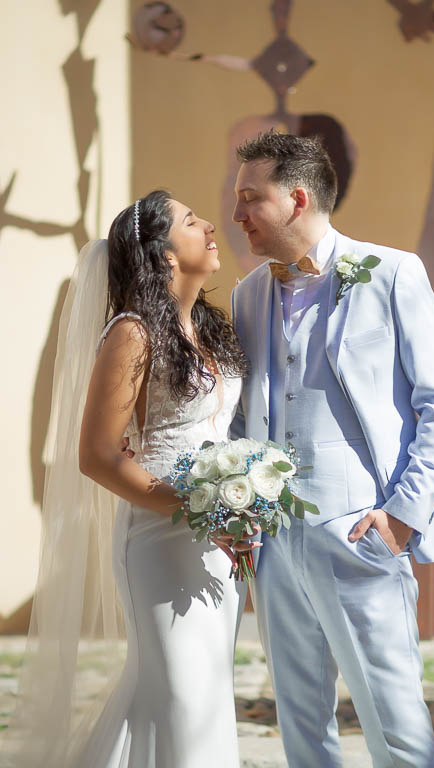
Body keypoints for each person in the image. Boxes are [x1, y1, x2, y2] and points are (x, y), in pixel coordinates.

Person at [230, 130, 434, 768]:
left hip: (365, 528)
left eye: (251, 198)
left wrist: (402, 516)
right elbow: (246, 414)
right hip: (276, 541)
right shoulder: (247, 293)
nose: (237, 214)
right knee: (299, 722)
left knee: (394, 721)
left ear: (297, 199)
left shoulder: (391, 272)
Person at [4, 189, 256, 768]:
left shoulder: (213, 331)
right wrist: (199, 510)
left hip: (221, 543)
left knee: (200, 697)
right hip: (159, 538)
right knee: (182, 695)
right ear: (166, 254)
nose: (211, 227)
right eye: (192, 222)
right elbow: (94, 455)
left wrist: (246, 499)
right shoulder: (132, 333)